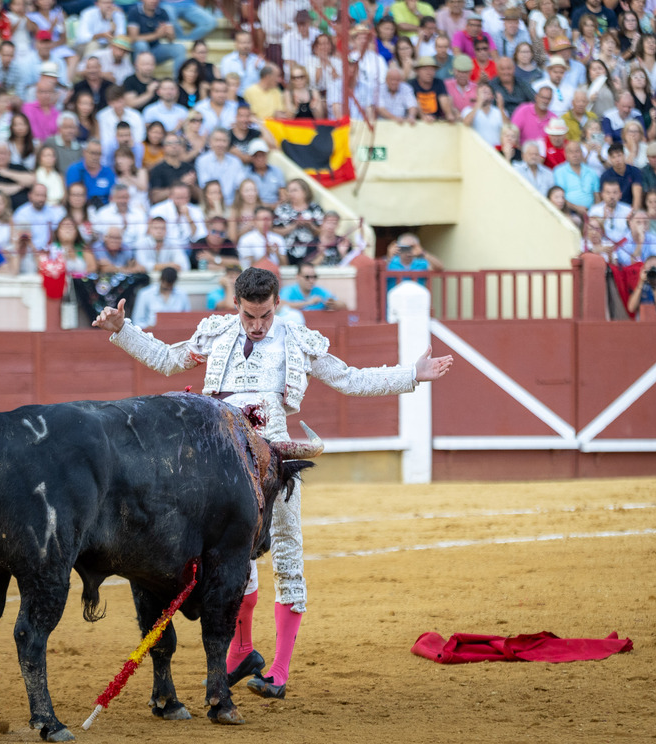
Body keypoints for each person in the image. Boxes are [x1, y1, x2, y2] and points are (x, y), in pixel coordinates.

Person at [93, 266, 453, 699]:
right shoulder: (216, 333)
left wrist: (411, 375)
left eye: (264, 315)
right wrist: (123, 330)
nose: (258, 326)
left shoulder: (297, 340)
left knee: (286, 552)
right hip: (218, 465)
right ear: (236, 307)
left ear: (277, 304)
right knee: (230, 560)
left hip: (275, 460)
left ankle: (278, 671)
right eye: (249, 316)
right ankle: (241, 653)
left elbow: (351, 379)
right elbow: (167, 358)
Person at [281, 263, 345, 311]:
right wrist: (309, 302)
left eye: (314, 277)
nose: (311, 281)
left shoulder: (319, 291)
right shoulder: (288, 290)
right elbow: (280, 306)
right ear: (298, 277)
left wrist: (334, 304)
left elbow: (344, 306)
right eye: (307, 277)